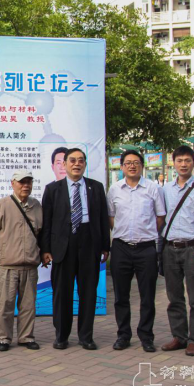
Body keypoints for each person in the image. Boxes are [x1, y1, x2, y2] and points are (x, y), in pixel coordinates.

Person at [40, 148, 110, 350]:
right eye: (72, 160)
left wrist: (105, 245)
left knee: (88, 292)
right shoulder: (53, 189)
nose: (76, 164)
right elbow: (47, 222)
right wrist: (45, 249)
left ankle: (86, 336)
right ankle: (61, 336)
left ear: (85, 164)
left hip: (90, 242)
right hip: (63, 245)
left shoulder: (96, 187)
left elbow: (103, 218)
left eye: (80, 160)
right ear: (64, 164)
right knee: (62, 293)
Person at [107, 150, 165, 353]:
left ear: (142, 166)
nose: (132, 166)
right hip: (121, 247)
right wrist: (122, 231)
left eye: (136, 162)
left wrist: (146, 232)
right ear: (122, 166)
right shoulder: (114, 189)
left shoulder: (153, 188)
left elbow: (160, 217)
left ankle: (146, 336)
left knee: (147, 296)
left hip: (146, 248)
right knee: (121, 296)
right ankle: (123, 335)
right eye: (128, 163)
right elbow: (111, 216)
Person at [161, 145, 194, 357]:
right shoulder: (166, 189)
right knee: (174, 297)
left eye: (187, 160)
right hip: (170, 248)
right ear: (173, 163)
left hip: (193, 248)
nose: (183, 164)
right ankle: (179, 337)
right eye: (179, 160)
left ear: (193, 163)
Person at [0, 169, 42, 352]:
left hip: (30, 265)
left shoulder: (36, 206)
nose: (25, 185)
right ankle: (4, 338)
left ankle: (26, 337)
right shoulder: (2, 205)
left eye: (28, 182)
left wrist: (43, 252)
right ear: (13, 183)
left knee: (28, 305)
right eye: (21, 182)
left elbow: (42, 233)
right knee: (5, 305)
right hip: (7, 265)